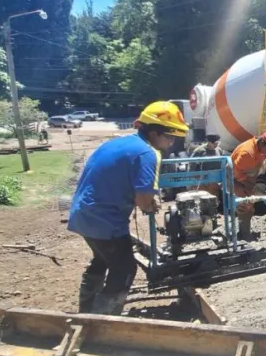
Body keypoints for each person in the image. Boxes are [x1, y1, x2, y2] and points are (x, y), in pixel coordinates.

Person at [68, 101, 188, 315]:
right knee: (124, 268)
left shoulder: (117, 143)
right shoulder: (147, 153)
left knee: (102, 260)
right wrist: (153, 203)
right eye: (169, 137)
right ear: (153, 132)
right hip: (105, 221)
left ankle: (86, 310)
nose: (171, 143)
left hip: (83, 214)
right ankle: (102, 320)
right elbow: (144, 201)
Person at [231, 132, 266, 240]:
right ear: (262, 143)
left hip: (246, 179)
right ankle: (244, 235)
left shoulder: (258, 147)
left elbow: (262, 154)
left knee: (250, 204)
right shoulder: (247, 154)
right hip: (236, 180)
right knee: (245, 205)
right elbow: (236, 173)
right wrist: (249, 187)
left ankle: (244, 231)